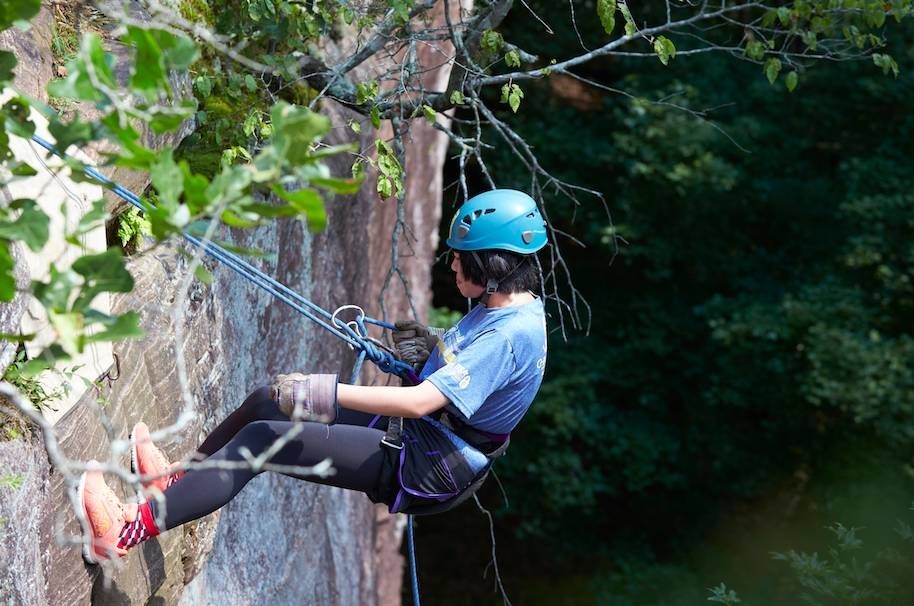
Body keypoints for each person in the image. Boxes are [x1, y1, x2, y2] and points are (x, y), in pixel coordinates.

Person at [78, 189, 549, 562]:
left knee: (263, 440)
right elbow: (462, 376)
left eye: (461, 256)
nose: (451, 263)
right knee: (269, 401)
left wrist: (327, 390)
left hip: (427, 458)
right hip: (427, 432)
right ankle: (178, 485)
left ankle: (126, 531)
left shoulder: (509, 335)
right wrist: (424, 350)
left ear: (493, 267)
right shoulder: (502, 305)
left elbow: (421, 402)